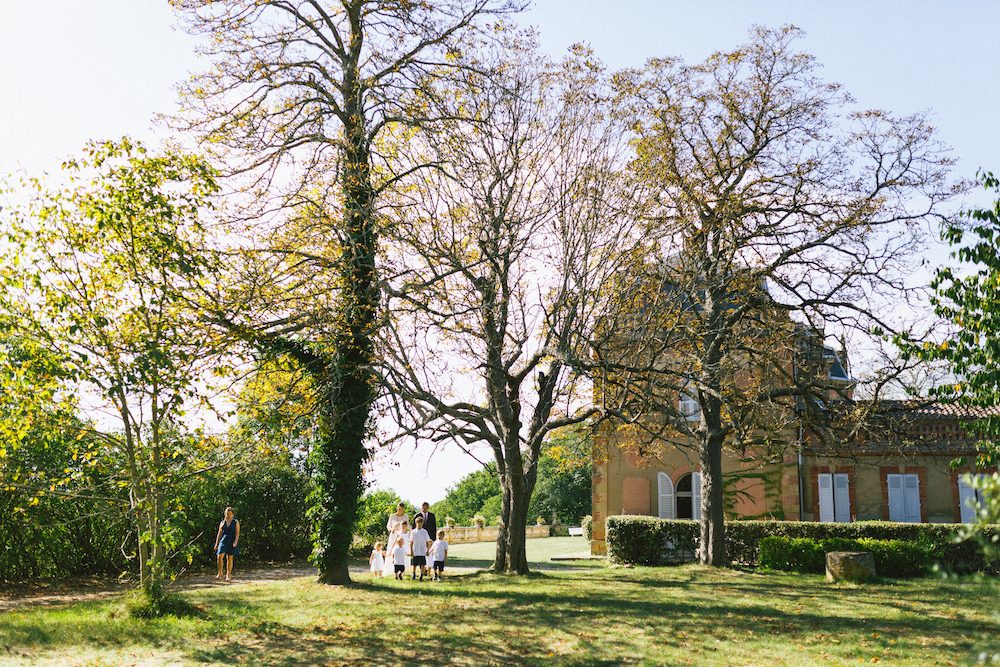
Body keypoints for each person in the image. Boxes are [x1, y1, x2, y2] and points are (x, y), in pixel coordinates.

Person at [214, 506, 240, 581]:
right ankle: (220, 573)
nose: (228, 515)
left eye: (230, 514)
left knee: (229, 557)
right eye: (227, 513)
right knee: (219, 556)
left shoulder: (235, 522)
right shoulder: (222, 522)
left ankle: (228, 574)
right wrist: (216, 543)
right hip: (223, 541)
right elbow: (219, 533)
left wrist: (236, 541)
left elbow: (237, 533)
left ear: (232, 514)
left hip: (232, 541)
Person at [408, 515, 432, 581]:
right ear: (416, 523)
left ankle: (421, 575)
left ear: (422, 523)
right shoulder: (413, 532)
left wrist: (428, 550)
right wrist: (411, 551)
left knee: (422, 564)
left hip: (422, 550)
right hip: (415, 550)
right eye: (418, 523)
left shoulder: (424, 532)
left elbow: (427, 541)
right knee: (414, 564)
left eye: (420, 523)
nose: (419, 524)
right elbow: (411, 542)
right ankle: (413, 574)